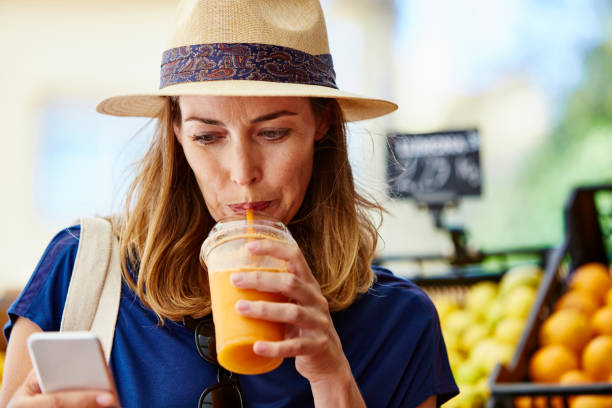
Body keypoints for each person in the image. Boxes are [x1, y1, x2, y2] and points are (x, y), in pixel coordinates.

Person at [0, 1, 459, 407]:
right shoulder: (83, 271)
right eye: (207, 136)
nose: (242, 171)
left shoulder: (399, 324)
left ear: (321, 124)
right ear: (177, 134)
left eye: (273, 133)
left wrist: (333, 378)